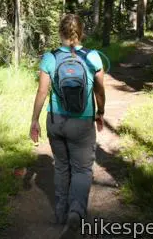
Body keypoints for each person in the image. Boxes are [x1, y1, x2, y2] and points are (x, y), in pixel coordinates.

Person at [29, 14, 106, 239]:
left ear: (60, 33)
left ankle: (61, 214)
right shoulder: (93, 57)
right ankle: (75, 213)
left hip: (56, 121)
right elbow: (99, 90)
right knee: (82, 169)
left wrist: (34, 120)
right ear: (81, 32)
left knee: (61, 167)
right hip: (82, 123)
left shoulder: (50, 58)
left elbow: (42, 92)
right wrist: (100, 113)